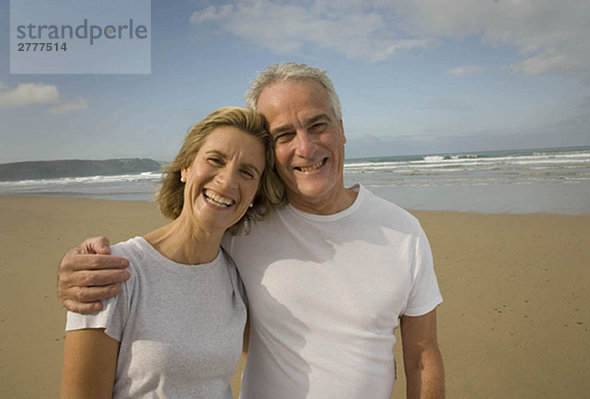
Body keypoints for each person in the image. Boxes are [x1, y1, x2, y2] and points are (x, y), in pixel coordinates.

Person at [58, 63, 445, 398]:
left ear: (341, 129)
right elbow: (175, 248)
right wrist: (79, 269)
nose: (306, 147)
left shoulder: (403, 232)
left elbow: (423, 355)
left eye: (317, 125)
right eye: (284, 135)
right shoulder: (244, 227)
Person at [60, 107, 284, 399]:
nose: (228, 181)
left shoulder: (237, 276)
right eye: (215, 160)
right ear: (186, 168)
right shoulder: (113, 273)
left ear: (255, 194)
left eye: (247, 172)